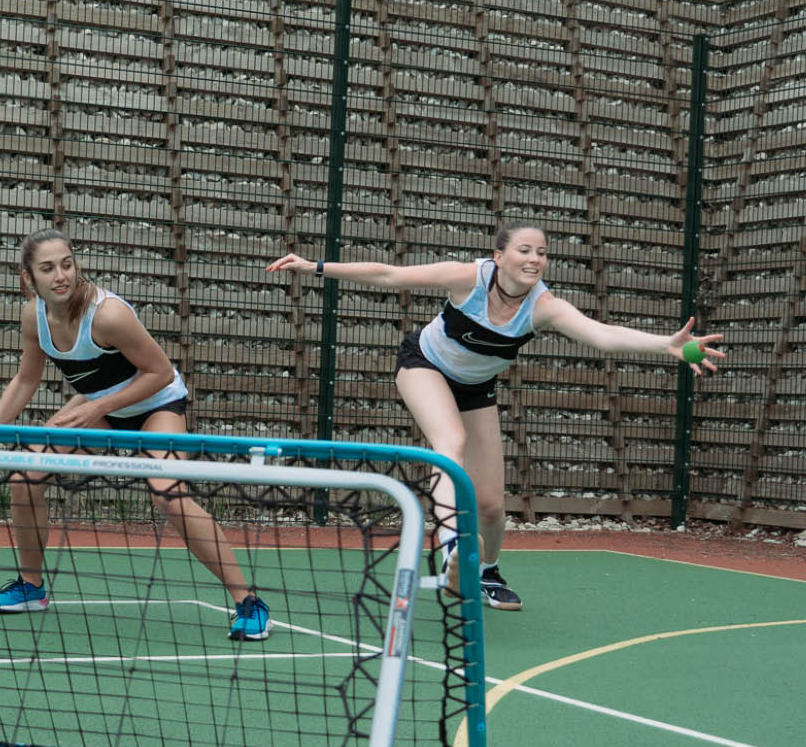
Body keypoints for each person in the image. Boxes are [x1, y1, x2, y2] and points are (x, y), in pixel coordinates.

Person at [267, 225, 724, 611]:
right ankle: (453, 549)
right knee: (450, 444)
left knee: (490, 506)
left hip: (475, 389)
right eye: (525, 250)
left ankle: (485, 570)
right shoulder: (467, 278)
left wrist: (665, 344)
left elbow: (601, 337)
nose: (535, 259)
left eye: (542, 253)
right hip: (423, 366)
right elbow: (389, 274)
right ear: (499, 255)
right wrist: (315, 267)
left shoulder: (543, 308)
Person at [0, 228, 271, 641]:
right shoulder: (34, 316)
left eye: (66, 264)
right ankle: (31, 587)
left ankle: (249, 602)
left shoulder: (107, 314)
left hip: (156, 406)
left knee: (169, 496)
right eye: (47, 268)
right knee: (25, 477)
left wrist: (94, 407)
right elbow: (26, 380)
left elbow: (161, 373)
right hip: (100, 407)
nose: (61, 275)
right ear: (29, 279)